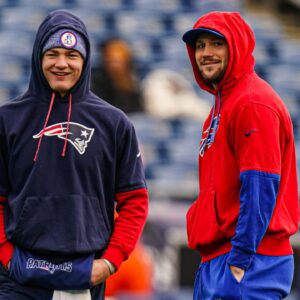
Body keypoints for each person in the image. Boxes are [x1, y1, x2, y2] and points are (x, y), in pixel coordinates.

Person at [0, 9, 148, 300]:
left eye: (72, 55)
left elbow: (135, 201)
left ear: (85, 60)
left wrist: (109, 262)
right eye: (52, 54)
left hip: (85, 277)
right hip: (18, 279)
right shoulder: (7, 120)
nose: (61, 64)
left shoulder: (115, 124)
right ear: (38, 57)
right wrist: (5, 254)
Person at [182, 11, 300, 299]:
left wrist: (240, 258)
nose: (205, 53)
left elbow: (260, 186)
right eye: (199, 46)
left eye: (216, 44)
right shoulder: (223, 104)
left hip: (249, 262)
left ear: (236, 46)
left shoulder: (252, 102)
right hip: (222, 260)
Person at [91, 38, 144, 114]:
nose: (116, 65)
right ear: (106, 59)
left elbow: (137, 108)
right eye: (112, 61)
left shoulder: (133, 79)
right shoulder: (99, 81)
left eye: (119, 61)